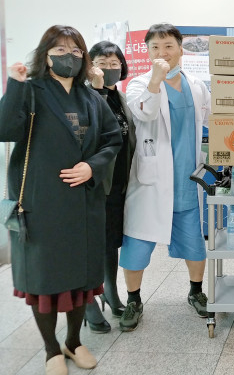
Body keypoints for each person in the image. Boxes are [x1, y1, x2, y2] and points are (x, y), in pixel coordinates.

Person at [0, 25, 121, 375]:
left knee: (81, 280)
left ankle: (73, 341)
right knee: (45, 280)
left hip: (84, 204)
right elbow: (5, 130)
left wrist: (91, 166)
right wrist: (14, 86)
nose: (69, 56)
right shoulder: (31, 90)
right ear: (46, 54)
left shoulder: (91, 97)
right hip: (42, 204)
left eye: (75, 50)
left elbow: (112, 140)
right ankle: (51, 348)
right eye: (60, 49)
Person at [118, 23, 211, 332]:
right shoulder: (137, 84)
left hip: (188, 179)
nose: (162, 52)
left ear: (180, 49)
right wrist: (156, 80)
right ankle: (134, 299)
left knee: (194, 243)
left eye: (168, 46)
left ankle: (196, 292)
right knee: (137, 244)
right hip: (152, 180)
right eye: (155, 47)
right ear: (147, 52)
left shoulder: (196, 84)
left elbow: (210, 119)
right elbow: (144, 112)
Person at [81, 41, 136, 333]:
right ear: (90, 66)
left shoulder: (122, 98)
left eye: (115, 63)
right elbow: (95, 128)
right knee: (91, 244)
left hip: (118, 183)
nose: (110, 68)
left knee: (110, 242)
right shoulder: (85, 96)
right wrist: (98, 88)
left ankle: (111, 292)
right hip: (93, 184)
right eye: (102, 62)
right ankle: (89, 302)